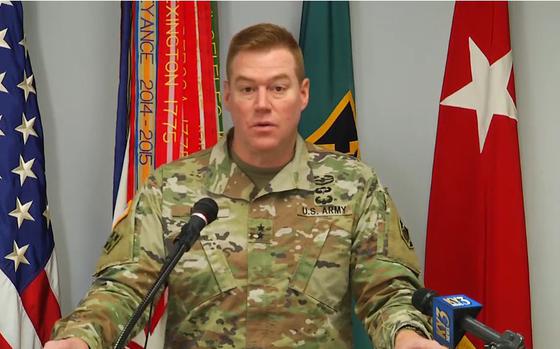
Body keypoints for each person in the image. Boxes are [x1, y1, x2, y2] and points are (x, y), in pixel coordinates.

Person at [45, 23, 445, 349]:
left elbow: (388, 292)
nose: (262, 104)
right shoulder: (172, 188)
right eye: (248, 88)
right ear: (227, 97)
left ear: (302, 95)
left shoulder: (353, 186)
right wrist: (80, 338)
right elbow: (125, 289)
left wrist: (408, 336)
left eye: (278, 87)